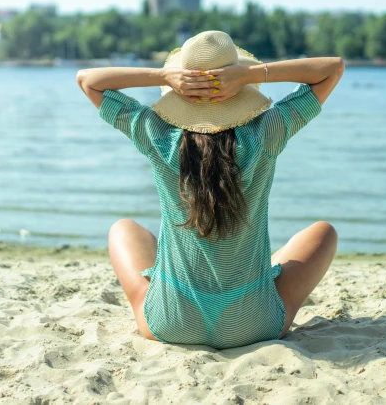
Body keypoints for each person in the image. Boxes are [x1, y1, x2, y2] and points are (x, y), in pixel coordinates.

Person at [76, 30, 345, 349]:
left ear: (178, 88)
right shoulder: (267, 134)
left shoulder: (157, 135)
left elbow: (87, 79)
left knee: (124, 229)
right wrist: (254, 73)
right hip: (253, 324)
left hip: (172, 322)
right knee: (323, 232)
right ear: (241, 88)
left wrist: (164, 75)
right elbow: (333, 68)